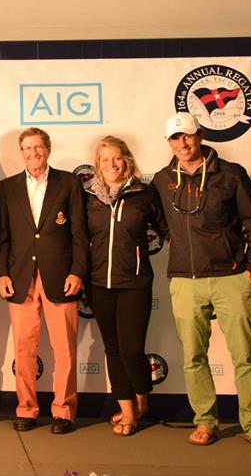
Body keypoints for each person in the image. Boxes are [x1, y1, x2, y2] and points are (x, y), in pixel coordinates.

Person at [152, 112, 251, 450]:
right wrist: (173, 240)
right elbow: (157, 220)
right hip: (185, 281)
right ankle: (205, 421)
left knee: (245, 356)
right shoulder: (163, 180)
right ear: (169, 142)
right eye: (175, 138)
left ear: (201, 135)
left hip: (231, 278)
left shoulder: (230, 174)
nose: (182, 143)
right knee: (193, 356)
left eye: (188, 136)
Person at [0, 127, 88, 434]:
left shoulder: (70, 183)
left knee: (65, 350)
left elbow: (79, 234)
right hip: (20, 278)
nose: (33, 153)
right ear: (21, 153)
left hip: (61, 278)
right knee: (23, 349)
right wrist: (2, 273)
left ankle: (64, 411)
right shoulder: (7, 187)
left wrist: (77, 271)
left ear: (48, 149)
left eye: (38, 147)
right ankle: (27, 409)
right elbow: (2, 236)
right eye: (27, 148)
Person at [85, 136, 167, 436]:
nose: (111, 164)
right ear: (97, 165)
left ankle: (142, 400)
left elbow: (169, 231)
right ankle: (128, 410)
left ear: (127, 159)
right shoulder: (89, 198)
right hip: (98, 285)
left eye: (116, 157)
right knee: (113, 350)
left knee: (132, 351)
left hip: (134, 283)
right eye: (105, 159)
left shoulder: (144, 194)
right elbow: (81, 240)